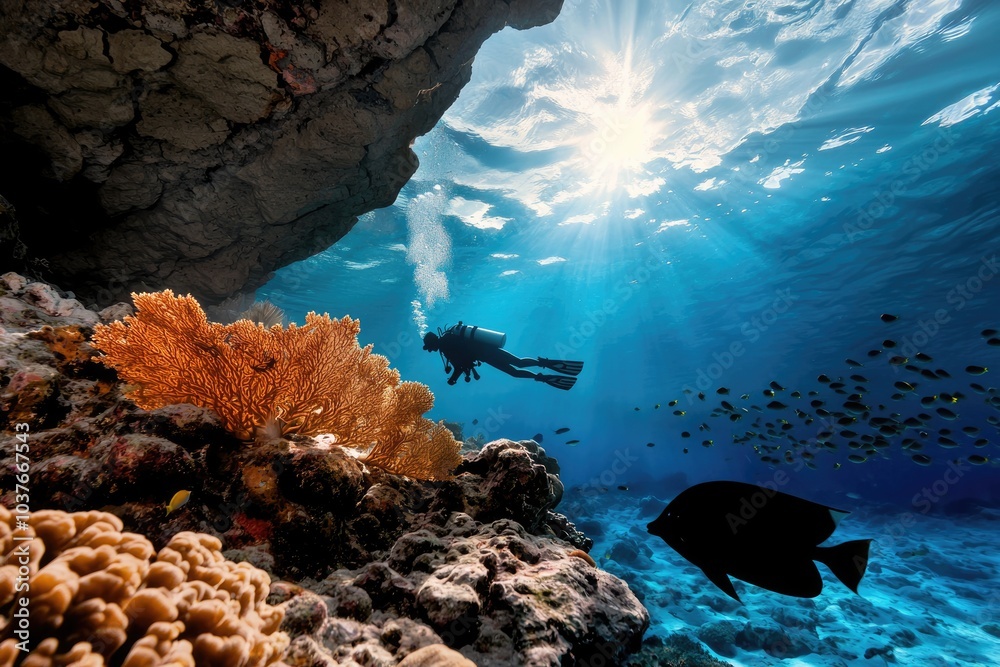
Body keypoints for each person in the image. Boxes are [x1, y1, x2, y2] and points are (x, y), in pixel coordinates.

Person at [422, 322, 584, 390]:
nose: (430, 350)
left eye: (429, 347)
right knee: (517, 366)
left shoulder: (446, 345)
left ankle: (543, 373)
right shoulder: (448, 339)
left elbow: (459, 365)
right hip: (486, 353)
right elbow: (463, 361)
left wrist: (453, 378)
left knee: (517, 365)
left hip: (487, 353)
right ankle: (543, 366)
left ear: (432, 343)